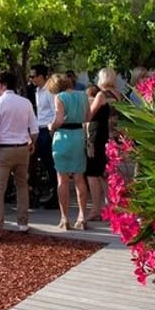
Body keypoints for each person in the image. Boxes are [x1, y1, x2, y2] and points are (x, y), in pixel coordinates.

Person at [0, 70, 38, 241]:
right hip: (22, 148)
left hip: (4, 149)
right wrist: (32, 142)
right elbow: (34, 129)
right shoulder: (26, 102)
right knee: (22, 186)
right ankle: (23, 222)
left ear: (3, 85)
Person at [46, 74, 90, 230]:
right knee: (79, 178)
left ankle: (64, 218)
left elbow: (59, 119)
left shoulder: (60, 97)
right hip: (78, 136)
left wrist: (50, 126)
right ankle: (82, 216)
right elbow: (88, 117)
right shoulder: (83, 95)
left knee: (62, 179)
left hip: (63, 137)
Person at [87, 67, 126, 220]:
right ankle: (111, 207)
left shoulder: (101, 95)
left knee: (93, 172)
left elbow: (89, 114)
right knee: (107, 174)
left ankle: (96, 209)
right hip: (113, 136)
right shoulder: (118, 95)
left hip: (100, 136)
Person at [29, 64, 57, 208]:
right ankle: (36, 192)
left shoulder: (49, 91)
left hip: (47, 129)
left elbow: (55, 111)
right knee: (36, 163)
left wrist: (52, 130)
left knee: (49, 163)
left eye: (33, 76)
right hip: (39, 129)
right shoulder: (37, 91)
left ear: (41, 76)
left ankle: (55, 194)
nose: (31, 79)